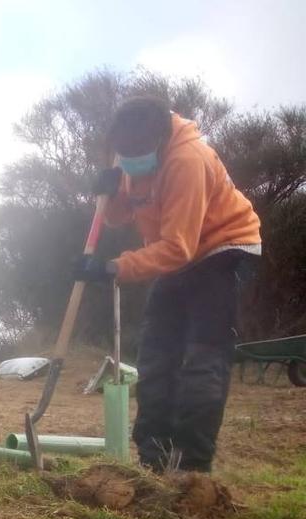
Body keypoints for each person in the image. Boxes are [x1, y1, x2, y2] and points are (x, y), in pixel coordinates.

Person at [76, 96, 261, 473]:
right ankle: (153, 459)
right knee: (156, 353)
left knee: (202, 356)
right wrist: (109, 195)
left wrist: (114, 267)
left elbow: (178, 248)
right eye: (122, 153)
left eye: (135, 154)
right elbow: (122, 214)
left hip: (222, 247)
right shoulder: (129, 149)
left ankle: (191, 468)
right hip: (178, 253)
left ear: (159, 141)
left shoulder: (187, 161)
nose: (129, 161)